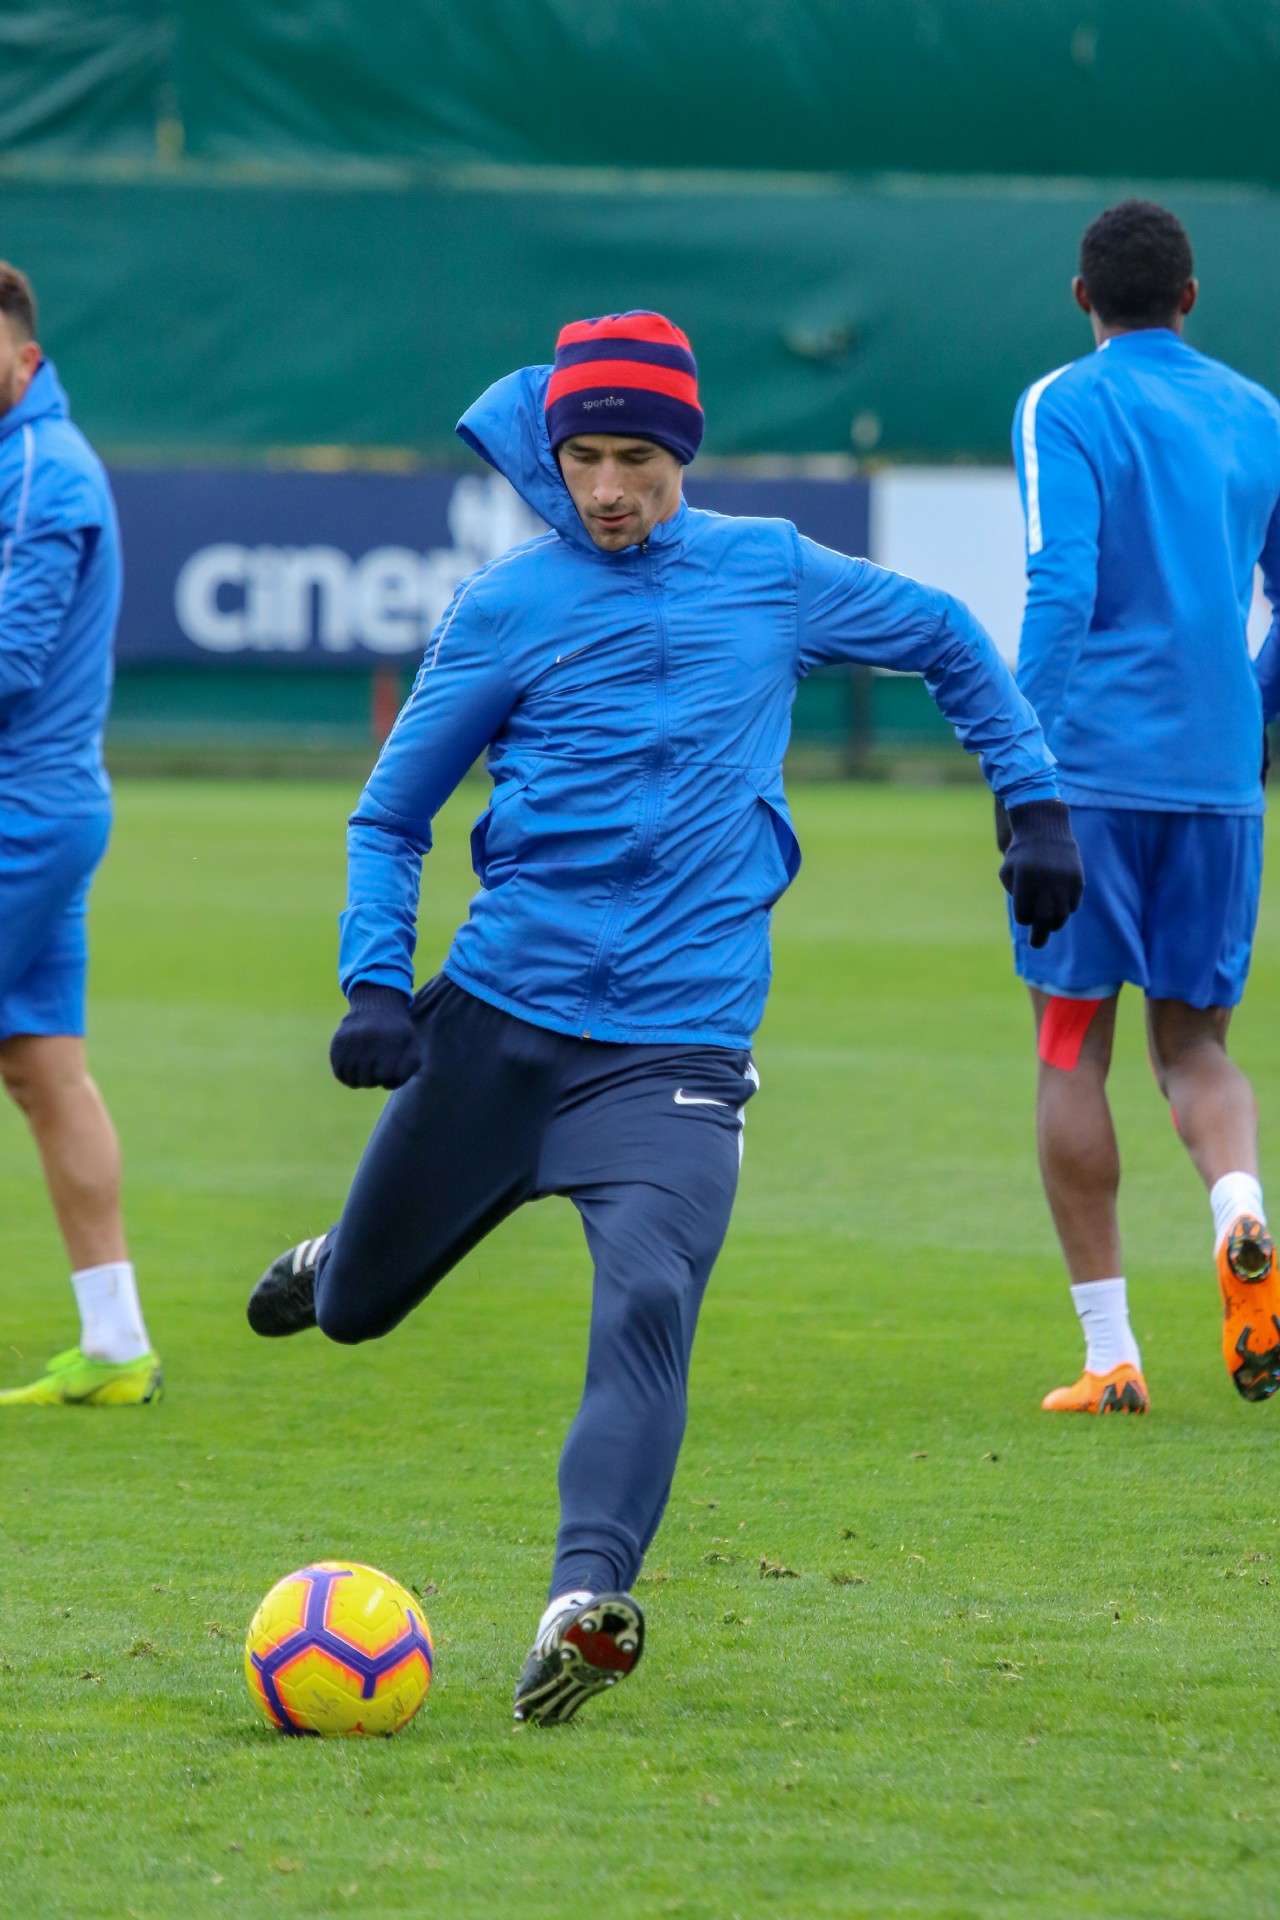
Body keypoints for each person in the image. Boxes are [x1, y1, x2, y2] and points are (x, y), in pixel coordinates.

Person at [248, 310, 1081, 1723]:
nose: (608, 488)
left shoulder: (770, 572)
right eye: (582, 458)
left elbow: (947, 634)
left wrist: (1034, 797)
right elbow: (390, 816)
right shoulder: (506, 606)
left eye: (636, 458)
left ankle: (582, 1603)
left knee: (646, 1302)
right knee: (358, 1312)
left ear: (682, 453)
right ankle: (338, 1260)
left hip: (677, 1052)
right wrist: (375, 982)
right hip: (495, 1031)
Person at [1008, 200, 1280, 1414]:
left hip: (1089, 777)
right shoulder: (1257, 413)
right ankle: (1239, 1211)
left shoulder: (1061, 403)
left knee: (1069, 1045)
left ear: (1082, 297)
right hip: (1217, 783)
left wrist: (1019, 757)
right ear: (1188, 296)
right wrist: (1248, 707)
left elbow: (1059, 581)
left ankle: (1109, 1354)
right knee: (1197, 1049)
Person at [0, 263, 160, 1408]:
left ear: (24, 356)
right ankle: (114, 1344)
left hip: (18, 813)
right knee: (43, 1069)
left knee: (46, 1071)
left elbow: (9, 663)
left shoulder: (39, 471)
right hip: (44, 809)